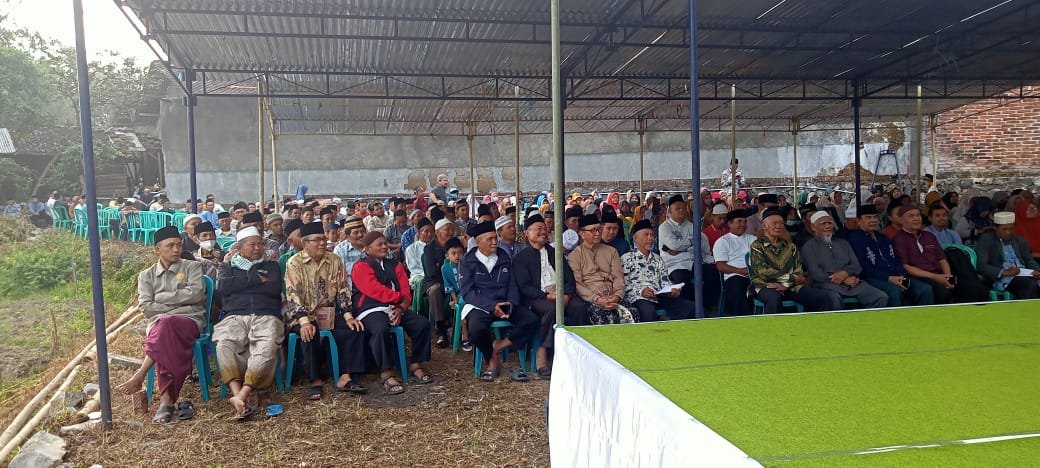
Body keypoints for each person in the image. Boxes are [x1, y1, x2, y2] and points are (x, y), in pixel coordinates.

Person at [117, 226, 205, 423]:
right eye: (170, 246)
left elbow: (197, 294)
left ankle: (145, 380)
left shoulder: (192, 267)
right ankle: (167, 400)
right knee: (165, 328)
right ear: (157, 249)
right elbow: (146, 307)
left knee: (166, 325)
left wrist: (163, 299)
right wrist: (179, 302)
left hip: (189, 321)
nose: (176, 249)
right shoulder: (146, 276)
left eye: (179, 245)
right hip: (158, 324)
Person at [284, 222, 367, 400]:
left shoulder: (334, 260)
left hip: (327, 313)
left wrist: (348, 315)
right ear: (305, 243)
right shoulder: (294, 263)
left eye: (323, 239)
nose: (323, 243)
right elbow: (293, 295)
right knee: (310, 331)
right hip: (301, 315)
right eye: (317, 240)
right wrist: (304, 321)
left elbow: (343, 289)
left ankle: (346, 375)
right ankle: (315, 380)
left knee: (355, 328)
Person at [214, 227, 284, 419]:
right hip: (235, 315)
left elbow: (274, 288)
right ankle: (237, 393)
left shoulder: (272, 266)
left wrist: (242, 282)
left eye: (260, 244)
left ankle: (243, 393)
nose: (257, 248)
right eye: (252, 244)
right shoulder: (226, 267)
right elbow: (225, 288)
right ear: (239, 247)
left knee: (266, 346)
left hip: (266, 314)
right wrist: (256, 279)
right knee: (224, 345)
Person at [351, 231, 434, 394]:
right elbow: (374, 290)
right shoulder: (361, 266)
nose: (384, 247)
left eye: (385, 243)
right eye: (379, 244)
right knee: (380, 328)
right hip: (370, 307)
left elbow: (405, 290)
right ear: (367, 249)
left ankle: (416, 363)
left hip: (395, 306)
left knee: (421, 324)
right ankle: (386, 372)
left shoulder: (394, 265)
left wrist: (401, 308)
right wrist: (398, 299)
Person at [460, 220, 539, 382]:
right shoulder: (468, 261)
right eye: (489, 239)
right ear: (478, 242)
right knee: (476, 329)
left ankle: (499, 346)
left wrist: (511, 302)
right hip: (481, 306)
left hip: (504, 303)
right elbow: (468, 292)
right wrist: (491, 306)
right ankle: (491, 360)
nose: (495, 242)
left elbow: (512, 284)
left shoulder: (503, 257)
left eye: (495, 238)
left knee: (531, 320)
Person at [511, 214, 585, 378]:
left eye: (545, 228)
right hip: (537, 298)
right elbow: (524, 287)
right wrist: (548, 295)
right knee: (551, 309)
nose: (543, 232)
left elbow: (569, 278)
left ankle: (578, 352)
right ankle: (542, 351)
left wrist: (565, 293)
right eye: (538, 229)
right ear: (527, 233)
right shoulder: (520, 258)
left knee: (579, 306)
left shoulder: (555, 252)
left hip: (561, 294)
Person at [749, 209, 841, 313]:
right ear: (764, 226)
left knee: (823, 297)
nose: (779, 226)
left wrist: (786, 284)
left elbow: (799, 272)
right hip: (765, 285)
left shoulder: (790, 246)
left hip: (791, 286)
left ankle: (818, 327)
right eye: (774, 223)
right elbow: (763, 272)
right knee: (774, 298)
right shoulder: (756, 246)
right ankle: (773, 328)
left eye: (781, 223)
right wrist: (790, 279)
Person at [892, 205, 987, 304]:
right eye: (911, 216)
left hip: (940, 274)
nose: (916, 219)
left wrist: (948, 276)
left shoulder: (928, 236)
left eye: (918, 215)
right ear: (901, 220)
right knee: (942, 292)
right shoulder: (899, 239)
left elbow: (942, 259)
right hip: (919, 276)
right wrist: (935, 277)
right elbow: (906, 266)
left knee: (970, 288)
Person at [847, 205, 933, 307]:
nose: (873, 220)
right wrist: (889, 278)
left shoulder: (883, 238)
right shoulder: (855, 239)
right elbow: (864, 267)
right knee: (895, 291)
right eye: (868, 217)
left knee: (925, 289)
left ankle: (923, 320)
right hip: (872, 278)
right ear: (858, 220)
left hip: (896, 275)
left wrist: (901, 274)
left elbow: (896, 259)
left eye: (875, 217)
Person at [800, 212, 888, 309]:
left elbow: (856, 266)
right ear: (813, 227)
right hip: (826, 285)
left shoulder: (843, 243)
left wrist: (845, 273)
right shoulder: (809, 247)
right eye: (823, 224)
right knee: (833, 300)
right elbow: (816, 274)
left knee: (880, 297)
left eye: (830, 223)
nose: (828, 226)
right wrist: (843, 279)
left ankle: (867, 323)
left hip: (853, 282)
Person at [622, 220, 694, 322]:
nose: (650, 238)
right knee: (648, 312)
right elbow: (623, 284)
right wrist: (641, 291)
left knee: (690, 307)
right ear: (635, 238)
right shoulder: (626, 258)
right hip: (638, 298)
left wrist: (671, 291)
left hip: (659, 296)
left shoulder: (658, 259)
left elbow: (665, 281)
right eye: (646, 235)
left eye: (652, 235)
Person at [568, 214, 634, 324]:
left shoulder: (612, 251)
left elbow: (618, 277)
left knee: (632, 312)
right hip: (591, 298)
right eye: (593, 230)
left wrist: (617, 296)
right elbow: (577, 283)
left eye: (599, 229)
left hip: (612, 295)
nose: (598, 233)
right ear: (582, 233)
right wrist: (597, 299)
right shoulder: (575, 256)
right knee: (602, 316)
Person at [975, 211, 1040, 299]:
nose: (1008, 232)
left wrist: (1037, 270)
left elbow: (1028, 259)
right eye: (1005, 229)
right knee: (1030, 285)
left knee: (1033, 283)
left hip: (1024, 274)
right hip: (1002, 278)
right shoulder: (986, 240)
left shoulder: (1019, 240)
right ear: (995, 228)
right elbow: (981, 265)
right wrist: (1003, 272)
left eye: (1011, 229)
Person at [713, 209, 757, 315]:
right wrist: (739, 271)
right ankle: (741, 319)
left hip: (755, 274)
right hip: (734, 275)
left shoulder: (753, 239)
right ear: (730, 224)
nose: (743, 224)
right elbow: (720, 266)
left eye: (745, 221)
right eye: (739, 221)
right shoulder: (722, 242)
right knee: (737, 287)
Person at [423, 218, 456, 347]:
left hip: (453, 280)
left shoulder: (454, 244)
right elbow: (431, 271)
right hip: (435, 281)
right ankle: (441, 328)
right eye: (447, 229)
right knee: (436, 290)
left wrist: (441, 265)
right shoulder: (430, 248)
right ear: (437, 232)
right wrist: (446, 265)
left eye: (452, 229)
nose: (450, 232)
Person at [441, 237, 472, 351]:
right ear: (447, 255)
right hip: (460, 295)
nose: (457, 256)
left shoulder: (467, 264)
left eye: (460, 252)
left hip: (470, 292)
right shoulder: (445, 268)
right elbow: (449, 286)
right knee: (462, 303)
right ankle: (465, 335)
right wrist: (454, 299)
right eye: (453, 253)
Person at [333, 217, 367, 290]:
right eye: (355, 232)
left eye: (363, 231)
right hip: (352, 293)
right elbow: (339, 278)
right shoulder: (340, 250)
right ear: (348, 236)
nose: (360, 235)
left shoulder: (372, 245)